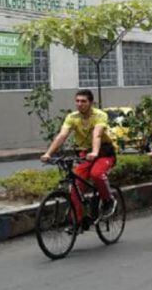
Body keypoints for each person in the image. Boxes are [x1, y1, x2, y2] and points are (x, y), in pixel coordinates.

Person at [42, 89, 117, 224]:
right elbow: (62, 136)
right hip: (84, 154)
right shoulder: (72, 117)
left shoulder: (100, 115)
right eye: (77, 101)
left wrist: (94, 152)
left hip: (103, 152)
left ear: (91, 103)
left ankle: (108, 200)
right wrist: (48, 153)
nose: (79, 104)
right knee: (75, 187)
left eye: (83, 101)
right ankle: (78, 221)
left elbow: (97, 134)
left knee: (96, 174)